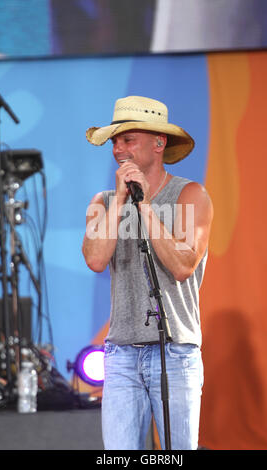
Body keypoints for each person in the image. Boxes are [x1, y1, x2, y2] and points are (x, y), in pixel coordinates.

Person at [82, 95, 213, 450]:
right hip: (121, 354)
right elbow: (94, 259)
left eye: (127, 139)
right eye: (114, 141)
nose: (118, 149)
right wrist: (122, 199)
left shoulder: (189, 195)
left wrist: (144, 204)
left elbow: (183, 265)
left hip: (175, 352)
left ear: (159, 143)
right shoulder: (104, 202)